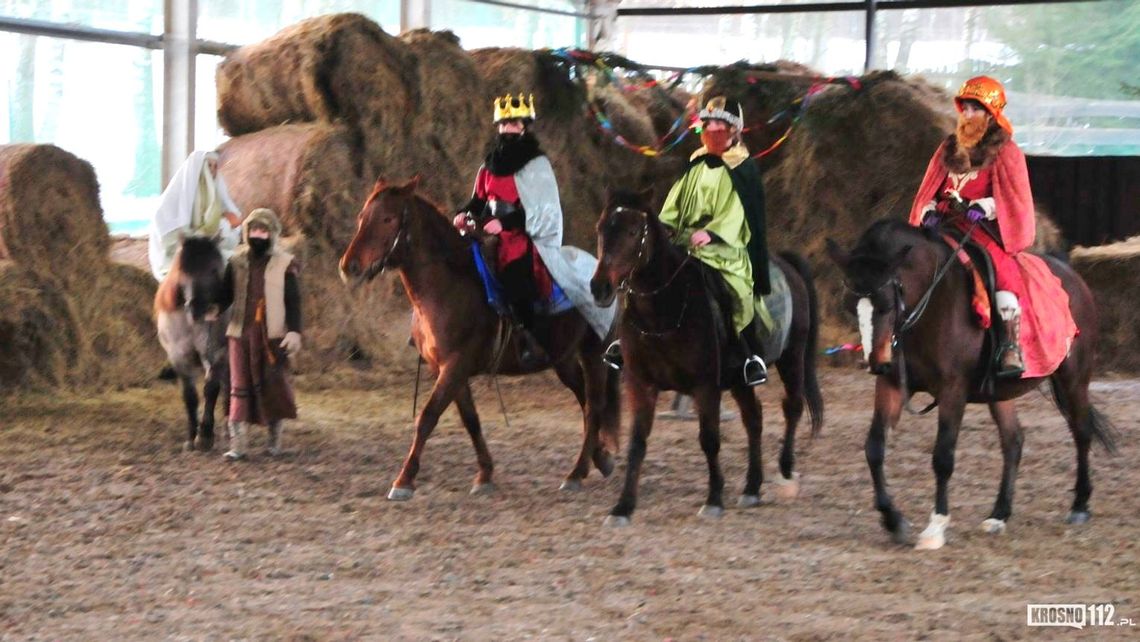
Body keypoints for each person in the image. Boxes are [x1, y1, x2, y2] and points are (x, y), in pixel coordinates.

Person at [909, 75, 1077, 378]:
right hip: (944, 227)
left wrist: (983, 207)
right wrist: (929, 210)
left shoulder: (1006, 152)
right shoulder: (947, 148)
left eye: (975, 109)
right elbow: (929, 190)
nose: (968, 115)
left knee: (1003, 275)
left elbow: (1014, 199)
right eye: (965, 109)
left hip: (982, 232)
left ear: (990, 113)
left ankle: (1009, 347)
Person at [604, 96, 770, 387]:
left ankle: (747, 355)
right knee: (642, 276)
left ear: (733, 129)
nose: (713, 128)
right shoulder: (697, 163)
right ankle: (625, 343)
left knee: (734, 291)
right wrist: (664, 225)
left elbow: (740, 212)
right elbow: (676, 202)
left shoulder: (743, 168)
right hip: (685, 240)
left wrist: (714, 232)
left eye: (720, 123)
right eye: (708, 123)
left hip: (724, 248)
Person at [454, 93, 615, 366]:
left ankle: (528, 339)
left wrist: (505, 223)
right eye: (504, 124)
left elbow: (544, 209)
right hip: (490, 234)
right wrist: (463, 213)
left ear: (525, 126)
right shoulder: (489, 164)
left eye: (514, 123)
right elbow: (479, 200)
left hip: (523, 237)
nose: (508, 129)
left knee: (516, 277)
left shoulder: (536, 165)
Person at [216, 208, 302, 460]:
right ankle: (238, 444)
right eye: (253, 230)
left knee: (273, 385)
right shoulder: (236, 262)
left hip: (272, 336)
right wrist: (213, 307)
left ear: (272, 233)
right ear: (246, 233)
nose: (258, 235)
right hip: (240, 333)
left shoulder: (285, 264)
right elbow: (225, 294)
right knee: (238, 384)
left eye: (263, 230)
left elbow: (294, 301)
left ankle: (274, 441)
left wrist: (295, 331)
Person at [148, 150, 244, 281]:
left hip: (208, 251)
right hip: (180, 256)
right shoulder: (175, 197)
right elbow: (173, 234)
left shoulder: (215, 196)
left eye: (215, 166)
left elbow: (234, 224)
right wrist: (223, 224)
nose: (212, 170)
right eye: (208, 165)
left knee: (236, 266)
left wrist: (225, 226)